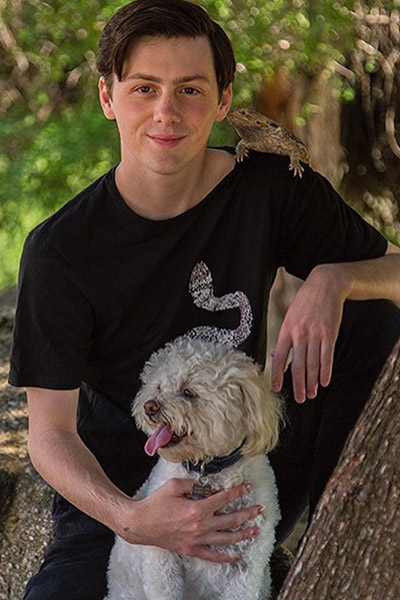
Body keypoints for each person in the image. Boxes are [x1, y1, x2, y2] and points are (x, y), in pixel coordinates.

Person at [8, 0, 400, 598]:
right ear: (108, 97)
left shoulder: (270, 188)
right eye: (144, 88)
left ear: (223, 100)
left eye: (190, 89)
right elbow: (49, 435)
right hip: (123, 494)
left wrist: (337, 279)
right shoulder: (61, 250)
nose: (167, 112)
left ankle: (325, 540)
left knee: (372, 310)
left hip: (245, 464)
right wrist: (132, 520)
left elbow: (393, 271)